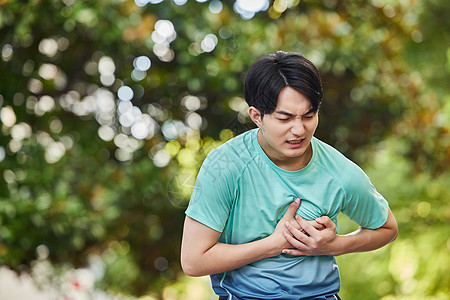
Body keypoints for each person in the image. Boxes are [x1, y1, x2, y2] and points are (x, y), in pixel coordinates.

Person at [180, 51, 398, 299]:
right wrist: (273, 245)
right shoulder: (226, 166)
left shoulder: (340, 173)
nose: (299, 130)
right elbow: (193, 261)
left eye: (308, 116)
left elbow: (387, 228)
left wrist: (335, 245)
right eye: (285, 118)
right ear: (256, 116)